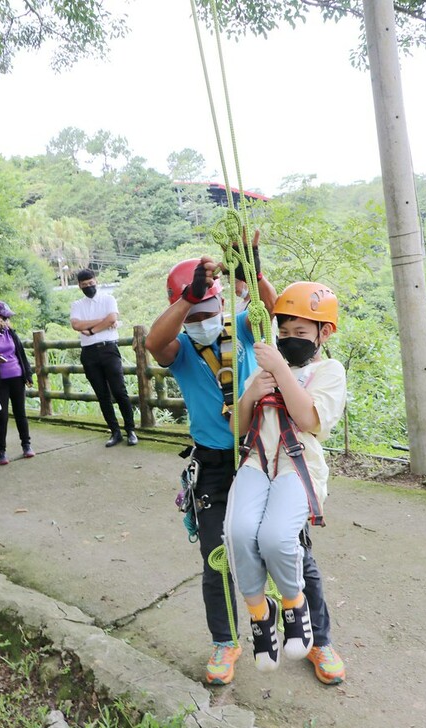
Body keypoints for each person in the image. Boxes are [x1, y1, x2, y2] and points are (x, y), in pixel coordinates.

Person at [146, 253, 346, 687]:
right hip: (218, 460)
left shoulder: (241, 326)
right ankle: (225, 641)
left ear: (221, 303)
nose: (203, 318)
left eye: (208, 308)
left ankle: (319, 640)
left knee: (294, 547)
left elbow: (277, 311)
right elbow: (154, 344)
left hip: (268, 451)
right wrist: (187, 299)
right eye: (193, 313)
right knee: (219, 554)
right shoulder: (181, 349)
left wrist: (251, 273)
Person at [223, 282, 346, 674]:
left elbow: (309, 419)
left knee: (278, 539)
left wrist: (278, 369)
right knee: (239, 534)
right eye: (284, 332)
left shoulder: (328, 371)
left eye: (300, 333)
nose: (289, 340)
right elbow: (237, 428)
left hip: (297, 466)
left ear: (323, 334)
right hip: (257, 461)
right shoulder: (262, 371)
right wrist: (252, 392)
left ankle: (295, 608)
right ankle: (261, 613)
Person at [70, 269, 138, 447]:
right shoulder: (77, 304)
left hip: (108, 349)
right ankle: (115, 432)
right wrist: (103, 321)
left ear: (96, 281)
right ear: (79, 286)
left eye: (91, 284)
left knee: (119, 391)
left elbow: (112, 318)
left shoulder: (108, 298)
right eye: (84, 285)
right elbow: (76, 324)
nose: (88, 287)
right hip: (89, 353)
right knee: (102, 394)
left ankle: (130, 430)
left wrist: (92, 329)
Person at [0, 302, 35, 465]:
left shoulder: (11, 333)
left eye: (8, 318)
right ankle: (1, 451)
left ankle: (26, 445)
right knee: (2, 417)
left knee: (20, 413)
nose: (7, 320)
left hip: (17, 377)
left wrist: (28, 375)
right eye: (4, 317)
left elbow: (21, 354)